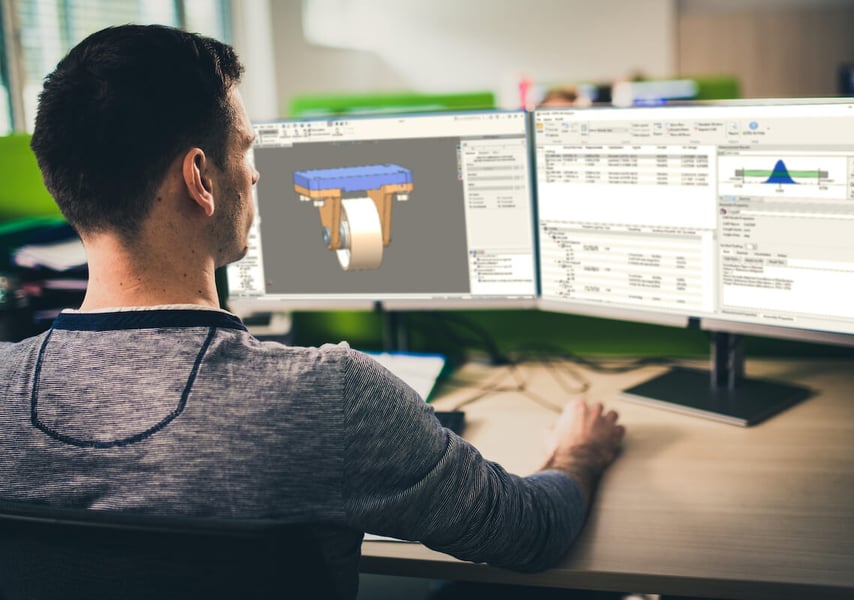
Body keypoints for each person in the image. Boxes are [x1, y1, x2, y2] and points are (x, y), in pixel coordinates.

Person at [0, 24, 625, 599]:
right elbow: (529, 532)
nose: (255, 175)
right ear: (200, 178)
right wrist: (580, 451)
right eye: (244, 150)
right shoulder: (331, 398)